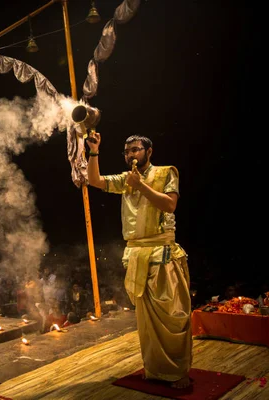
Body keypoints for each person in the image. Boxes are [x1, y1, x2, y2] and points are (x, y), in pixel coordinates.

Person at [86, 132, 192, 389]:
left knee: (171, 315)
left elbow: (170, 206)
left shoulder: (167, 173)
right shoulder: (126, 180)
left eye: (135, 150)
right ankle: (156, 370)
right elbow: (94, 180)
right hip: (136, 255)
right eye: (127, 152)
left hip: (162, 255)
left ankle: (177, 372)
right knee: (146, 323)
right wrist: (94, 151)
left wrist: (141, 185)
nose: (131, 155)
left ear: (149, 152)